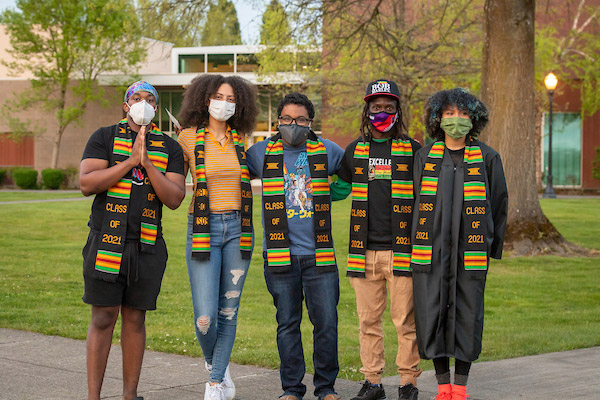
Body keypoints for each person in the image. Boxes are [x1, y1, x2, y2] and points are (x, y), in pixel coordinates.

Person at [80, 81, 186, 400]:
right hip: (105, 242)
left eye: (150, 99)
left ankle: (129, 395)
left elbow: (175, 197)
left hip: (147, 246)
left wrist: (148, 162)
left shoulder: (169, 147)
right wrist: (128, 162)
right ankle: (93, 397)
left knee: (135, 317)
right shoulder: (104, 137)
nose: (144, 103)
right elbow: (86, 183)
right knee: (102, 316)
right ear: (126, 105)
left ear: (155, 108)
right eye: (137, 98)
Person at [411, 88, 508, 400]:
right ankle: (442, 386)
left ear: (474, 119)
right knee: (432, 313)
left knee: (467, 315)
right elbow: (415, 202)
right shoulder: (425, 158)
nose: (456, 120)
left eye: (463, 114)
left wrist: (490, 246)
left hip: (470, 253)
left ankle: (460, 388)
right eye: (450, 114)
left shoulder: (488, 158)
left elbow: (498, 205)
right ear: (438, 118)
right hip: (432, 251)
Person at [246, 93, 344, 400]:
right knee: (287, 324)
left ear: (311, 123)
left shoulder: (328, 150)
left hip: (320, 255)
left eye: (301, 120)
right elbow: (230, 176)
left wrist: (332, 192)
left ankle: (326, 388)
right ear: (278, 121)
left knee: (326, 324)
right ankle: (292, 388)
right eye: (287, 119)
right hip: (279, 255)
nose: (293, 125)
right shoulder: (259, 153)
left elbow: (350, 175)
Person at [330, 79, 422, 400]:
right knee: (368, 321)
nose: (381, 112)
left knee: (404, 322)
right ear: (366, 111)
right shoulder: (356, 150)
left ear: (398, 111)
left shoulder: (413, 149)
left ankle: (408, 383)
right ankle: (373, 383)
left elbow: (427, 197)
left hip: (403, 251)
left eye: (388, 107)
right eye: (375, 107)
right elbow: (339, 188)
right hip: (363, 250)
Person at [176, 74, 258, 400]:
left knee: (229, 312)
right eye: (218, 96)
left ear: (238, 105)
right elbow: (172, 184)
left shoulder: (242, 142)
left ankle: (214, 385)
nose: (223, 103)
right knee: (204, 317)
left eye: (230, 98)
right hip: (202, 228)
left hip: (239, 229)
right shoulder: (187, 138)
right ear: (204, 99)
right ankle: (217, 365)